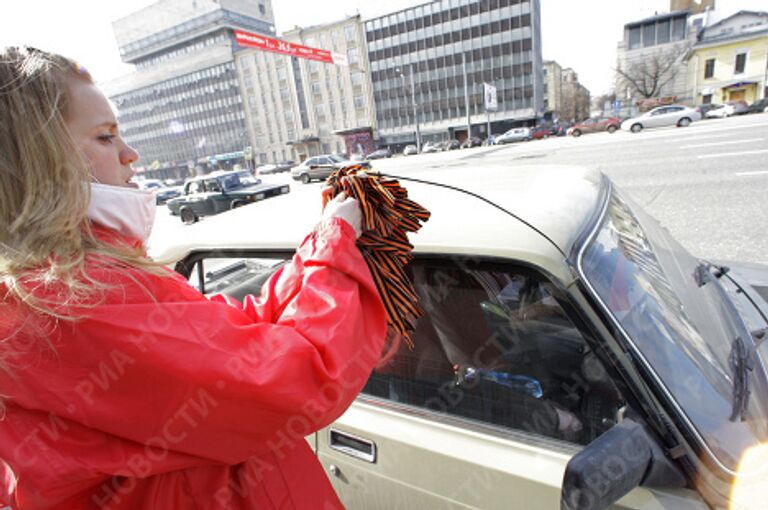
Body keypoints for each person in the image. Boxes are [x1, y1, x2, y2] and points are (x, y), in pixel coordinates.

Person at [0, 47, 387, 509]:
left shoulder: (74, 281)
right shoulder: (71, 297)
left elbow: (234, 337)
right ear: (37, 161)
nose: (130, 154)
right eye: (105, 138)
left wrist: (317, 249)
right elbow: (295, 380)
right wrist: (337, 242)